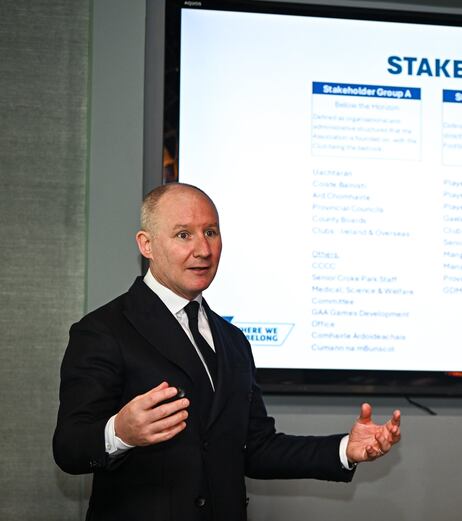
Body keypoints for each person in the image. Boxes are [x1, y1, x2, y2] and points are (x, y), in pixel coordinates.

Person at [53, 183, 401, 521]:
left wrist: (344, 449)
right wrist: (119, 432)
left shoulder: (233, 341)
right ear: (147, 244)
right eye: (184, 235)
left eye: (211, 232)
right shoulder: (104, 330)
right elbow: (69, 448)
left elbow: (256, 448)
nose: (203, 250)